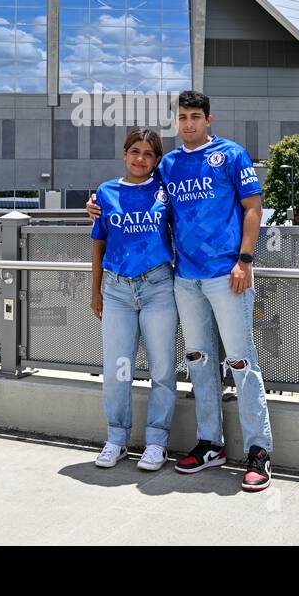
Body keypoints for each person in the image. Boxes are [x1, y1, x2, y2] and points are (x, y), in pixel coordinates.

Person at [88, 91, 272, 491]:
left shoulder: (232, 155)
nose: (188, 124)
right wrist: (96, 203)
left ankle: (258, 451)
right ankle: (211, 443)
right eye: (182, 117)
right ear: (176, 121)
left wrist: (245, 260)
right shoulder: (168, 164)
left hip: (228, 274)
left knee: (241, 361)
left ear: (209, 119)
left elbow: (254, 207)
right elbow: (133, 190)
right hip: (184, 279)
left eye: (195, 117)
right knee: (200, 361)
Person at [89, 128, 177, 471]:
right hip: (117, 290)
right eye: (135, 151)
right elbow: (98, 244)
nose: (141, 159)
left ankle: (157, 441)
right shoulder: (106, 192)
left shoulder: (164, 191)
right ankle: (116, 438)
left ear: (157, 160)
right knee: (117, 369)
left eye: (149, 154)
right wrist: (95, 290)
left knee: (163, 368)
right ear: (125, 153)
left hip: (158, 288)